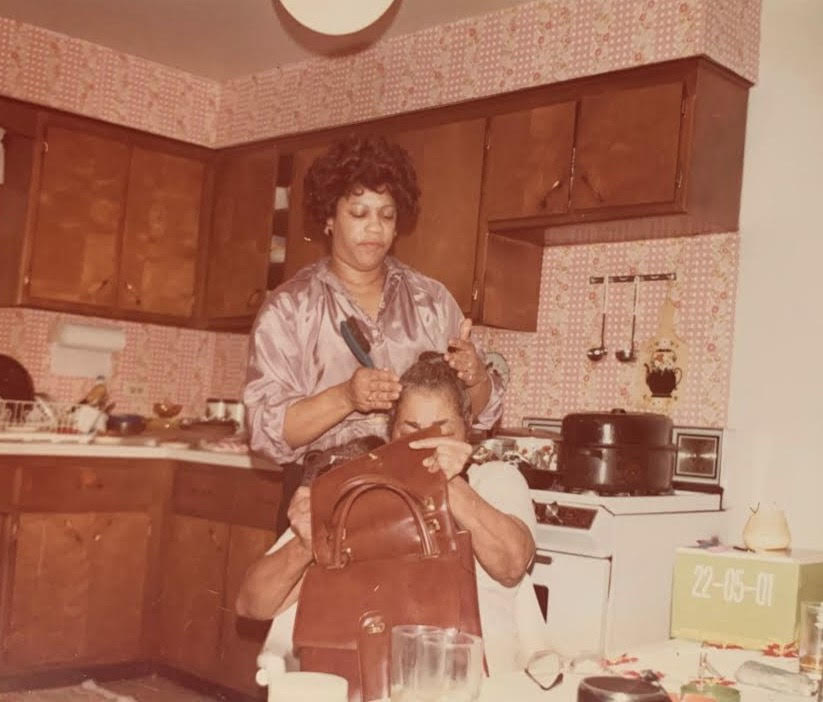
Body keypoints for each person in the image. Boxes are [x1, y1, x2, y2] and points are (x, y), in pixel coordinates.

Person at [243, 134, 504, 533]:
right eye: (359, 213)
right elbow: (267, 432)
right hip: (320, 496)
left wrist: (476, 376)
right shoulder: (289, 308)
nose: (374, 229)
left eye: (386, 215)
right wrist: (346, 396)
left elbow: (478, 413)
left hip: (422, 497)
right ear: (329, 219)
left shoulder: (431, 300)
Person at [236, 352, 546, 675]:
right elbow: (252, 604)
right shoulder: (358, 494)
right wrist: (305, 545)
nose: (426, 445)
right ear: (390, 434)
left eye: (442, 432)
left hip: (473, 686)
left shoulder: (495, 481)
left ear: (467, 431)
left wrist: (448, 485)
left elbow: (512, 565)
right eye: (411, 432)